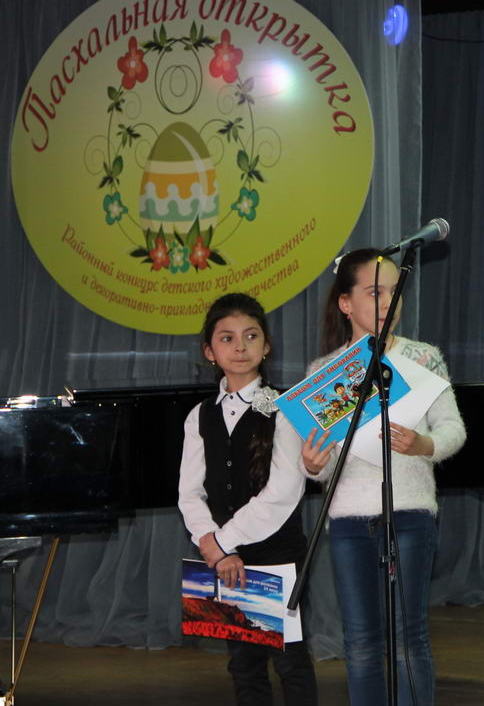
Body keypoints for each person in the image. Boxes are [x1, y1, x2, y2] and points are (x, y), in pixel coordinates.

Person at [300, 247, 466, 706]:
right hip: (349, 521)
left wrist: (423, 444)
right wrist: (312, 464)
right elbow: (323, 462)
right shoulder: (325, 372)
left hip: (410, 513)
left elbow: (453, 429)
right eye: (375, 292)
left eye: (395, 291)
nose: (389, 301)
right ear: (346, 302)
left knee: (409, 638)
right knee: (361, 643)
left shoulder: (423, 358)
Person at [178, 292, 319, 706]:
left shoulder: (284, 408)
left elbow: (284, 491)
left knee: (289, 660)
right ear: (209, 351)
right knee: (243, 662)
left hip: (277, 552)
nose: (240, 347)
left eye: (251, 336)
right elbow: (189, 492)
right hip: (223, 558)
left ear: (267, 345)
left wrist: (222, 543)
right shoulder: (199, 414)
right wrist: (213, 546)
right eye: (227, 338)